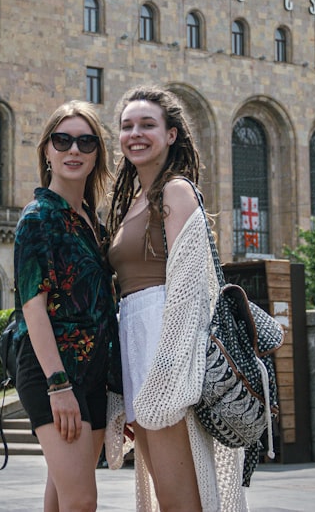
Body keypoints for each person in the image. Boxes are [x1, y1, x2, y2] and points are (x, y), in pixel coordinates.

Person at [105, 86, 246, 511]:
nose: (135, 133)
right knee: (167, 496)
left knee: (180, 500)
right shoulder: (131, 200)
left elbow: (187, 293)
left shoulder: (176, 191)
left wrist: (166, 377)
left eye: (147, 124)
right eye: (127, 126)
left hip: (165, 351)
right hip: (138, 344)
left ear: (171, 134)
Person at [13, 101, 118, 512]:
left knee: (62, 496)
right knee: (82, 500)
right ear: (47, 151)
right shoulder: (39, 217)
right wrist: (58, 386)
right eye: (63, 140)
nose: (74, 150)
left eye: (86, 142)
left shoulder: (93, 221)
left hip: (92, 375)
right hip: (52, 372)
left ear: (96, 156)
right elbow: (32, 308)